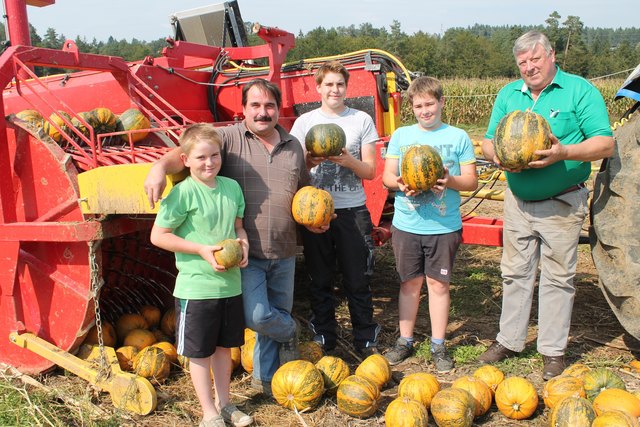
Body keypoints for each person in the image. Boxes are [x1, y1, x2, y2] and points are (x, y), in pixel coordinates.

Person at [145, 79, 312, 396]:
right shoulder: (228, 137)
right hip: (243, 251)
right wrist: (158, 168)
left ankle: (267, 382)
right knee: (258, 316)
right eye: (255, 106)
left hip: (285, 247)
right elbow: (189, 150)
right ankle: (291, 331)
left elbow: (302, 193)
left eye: (269, 106)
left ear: (277, 109)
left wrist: (312, 221)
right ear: (244, 108)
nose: (263, 113)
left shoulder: (293, 146)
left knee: (275, 313)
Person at [479, 31, 614, 380]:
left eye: (535, 59)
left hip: (562, 202)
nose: (529, 67)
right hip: (517, 201)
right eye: (522, 62)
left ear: (551, 55)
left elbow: (605, 143)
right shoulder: (509, 94)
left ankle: (552, 351)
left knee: (557, 277)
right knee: (514, 273)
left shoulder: (579, 90)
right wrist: (498, 158)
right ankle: (509, 339)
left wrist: (563, 152)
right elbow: (488, 141)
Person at [150, 124, 253, 427]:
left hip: (230, 286)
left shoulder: (232, 188)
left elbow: (238, 228)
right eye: (201, 158)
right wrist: (200, 250)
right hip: (196, 289)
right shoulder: (181, 194)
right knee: (200, 352)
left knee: (224, 348)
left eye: (215, 156)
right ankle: (208, 411)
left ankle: (226, 403)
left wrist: (244, 244)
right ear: (185, 160)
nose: (209, 163)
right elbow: (159, 236)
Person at [381, 76, 478, 372]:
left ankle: (438, 345)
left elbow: (471, 181)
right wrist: (399, 184)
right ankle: (405, 340)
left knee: (438, 285)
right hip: (407, 224)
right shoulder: (401, 136)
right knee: (409, 284)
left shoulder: (458, 136)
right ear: (412, 107)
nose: (425, 111)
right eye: (419, 105)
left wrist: (448, 181)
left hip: (443, 226)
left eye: (430, 104)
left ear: (441, 103)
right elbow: (387, 178)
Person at [289, 61, 380, 357]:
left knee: (358, 279)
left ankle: (365, 338)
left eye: (339, 84)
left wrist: (346, 160)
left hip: (352, 210)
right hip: (315, 213)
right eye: (328, 84)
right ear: (318, 87)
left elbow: (369, 171)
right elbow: (294, 166)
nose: (334, 89)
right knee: (320, 279)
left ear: (346, 86)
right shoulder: (305, 123)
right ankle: (324, 336)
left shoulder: (361, 120)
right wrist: (311, 162)